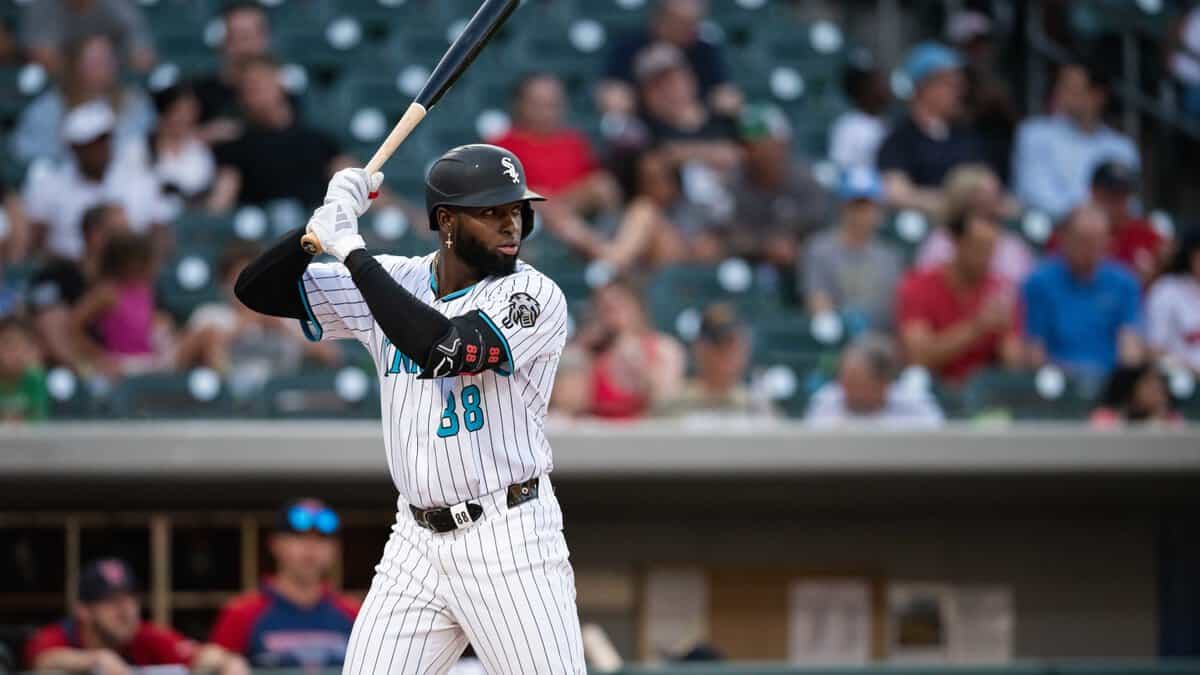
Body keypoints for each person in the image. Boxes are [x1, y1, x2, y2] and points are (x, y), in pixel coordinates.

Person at [233, 145, 587, 671]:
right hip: (415, 543)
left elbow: (444, 348)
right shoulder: (396, 279)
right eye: (492, 212)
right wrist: (315, 230)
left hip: (508, 537)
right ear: (446, 222)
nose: (511, 224)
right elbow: (258, 291)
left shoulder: (532, 294)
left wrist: (353, 252)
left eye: (516, 209)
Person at [24, 558, 248, 674]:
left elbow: (198, 654)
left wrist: (229, 662)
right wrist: (94, 659)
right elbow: (43, 658)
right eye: (112, 602)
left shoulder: (142, 635)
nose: (127, 611)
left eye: (131, 598)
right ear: (84, 610)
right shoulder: (61, 635)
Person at [210, 499, 358, 668]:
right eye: (299, 537)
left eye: (321, 539)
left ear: (335, 549)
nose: (310, 548)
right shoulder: (242, 613)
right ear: (275, 544)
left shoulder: (353, 613)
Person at [21, 100, 168, 261]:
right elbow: (34, 245)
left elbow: (159, 232)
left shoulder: (140, 179)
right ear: (75, 148)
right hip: (69, 271)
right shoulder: (48, 184)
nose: (99, 150)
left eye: (103, 141)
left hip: (130, 273)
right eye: (90, 144)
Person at [177, 243, 339, 381]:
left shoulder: (287, 318)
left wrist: (283, 328)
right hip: (224, 405)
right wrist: (241, 326)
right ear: (224, 284)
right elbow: (179, 361)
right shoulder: (210, 315)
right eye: (240, 281)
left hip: (282, 404)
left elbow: (332, 356)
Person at [897, 208, 1024, 384]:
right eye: (978, 247)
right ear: (956, 242)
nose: (985, 257)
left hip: (984, 396)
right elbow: (919, 357)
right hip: (931, 391)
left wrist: (1008, 338)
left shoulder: (1000, 291)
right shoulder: (919, 284)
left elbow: (1013, 364)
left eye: (991, 249)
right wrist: (978, 327)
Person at [209, 56, 351, 211]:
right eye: (248, 88)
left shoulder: (318, 141)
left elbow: (355, 183)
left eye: (260, 84)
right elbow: (220, 201)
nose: (255, 93)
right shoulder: (235, 148)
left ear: (279, 82)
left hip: (317, 228)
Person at [543, 151, 718, 272]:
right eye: (644, 178)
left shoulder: (692, 210)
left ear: (673, 183)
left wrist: (580, 235)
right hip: (634, 275)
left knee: (645, 211)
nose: (649, 185)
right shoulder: (629, 211)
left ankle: (572, 229)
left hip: (675, 278)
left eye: (657, 179)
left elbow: (707, 251)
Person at [1022, 204, 1144, 378]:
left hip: (1109, 381)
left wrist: (1123, 383)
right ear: (1064, 238)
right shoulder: (1039, 282)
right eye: (1083, 240)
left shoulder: (1125, 282)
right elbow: (1034, 349)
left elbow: (1130, 346)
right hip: (1058, 380)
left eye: (1098, 240)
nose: (1091, 248)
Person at [1013, 61, 1139, 220]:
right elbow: (1034, 194)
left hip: (1106, 235)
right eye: (1060, 85)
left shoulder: (1122, 147)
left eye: (1072, 88)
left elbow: (1130, 204)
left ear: (1098, 95)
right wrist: (1086, 215)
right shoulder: (1034, 133)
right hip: (1049, 234)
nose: (1060, 93)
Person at [876, 41, 988, 215]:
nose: (960, 91)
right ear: (923, 87)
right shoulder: (899, 140)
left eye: (959, 85)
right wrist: (955, 203)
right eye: (950, 84)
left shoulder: (965, 136)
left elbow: (989, 188)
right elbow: (896, 194)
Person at [10, 32, 155, 164]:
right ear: (76, 65)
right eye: (94, 61)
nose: (103, 67)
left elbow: (145, 147)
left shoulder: (134, 102)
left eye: (107, 60)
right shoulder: (48, 107)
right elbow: (28, 153)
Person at [489, 73, 617, 214]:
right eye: (538, 105)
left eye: (553, 105)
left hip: (575, 212)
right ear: (520, 105)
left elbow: (593, 184)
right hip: (530, 220)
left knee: (607, 186)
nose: (547, 113)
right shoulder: (501, 147)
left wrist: (563, 202)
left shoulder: (574, 141)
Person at [721, 104, 829, 267]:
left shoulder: (805, 181)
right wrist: (765, 246)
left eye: (760, 144)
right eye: (747, 146)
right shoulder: (733, 182)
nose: (752, 153)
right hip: (747, 267)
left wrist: (797, 245)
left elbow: (823, 232)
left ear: (781, 144)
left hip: (801, 270)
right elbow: (727, 236)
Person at [27, 204, 128, 370]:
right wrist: (89, 370)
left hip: (126, 365)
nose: (128, 242)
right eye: (120, 234)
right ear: (95, 235)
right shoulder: (56, 274)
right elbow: (51, 326)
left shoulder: (132, 280)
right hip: (76, 370)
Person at [599, 0, 740, 116]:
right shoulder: (629, 44)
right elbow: (612, 90)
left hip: (694, 117)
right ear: (661, 18)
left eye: (694, 23)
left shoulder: (704, 49)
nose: (692, 29)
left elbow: (724, 92)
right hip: (644, 120)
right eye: (683, 23)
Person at [803, 167, 903, 330]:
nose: (862, 213)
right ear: (843, 207)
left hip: (882, 338)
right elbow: (817, 301)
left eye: (869, 206)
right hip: (836, 337)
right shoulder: (820, 248)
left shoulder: (889, 256)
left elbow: (895, 307)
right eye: (856, 205)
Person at [573, 279, 685, 419]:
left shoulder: (664, 348)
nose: (611, 315)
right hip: (599, 432)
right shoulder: (587, 352)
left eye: (618, 306)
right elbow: (573, 406)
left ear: (637, 307)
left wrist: (638, 364)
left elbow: (665, 402)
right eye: (605, 308)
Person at [70, 232, 172, 376]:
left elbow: (146, 325)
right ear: (128, 263)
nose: (152, 266)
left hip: (150, 360)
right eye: (146, 261)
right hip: (122, 364)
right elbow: (73, 327)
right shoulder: (107, 292)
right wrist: (98, 355)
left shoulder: (146, 290)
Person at [915, 164, 1034, 286]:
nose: (990, 203)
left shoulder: (1013, 247)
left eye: (995, 195)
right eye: (981, 199)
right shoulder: (940, 243)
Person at [805, 334, 944, 428]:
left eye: (855, 383)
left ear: (884, 382)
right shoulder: (826, 400)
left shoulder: (914, 403)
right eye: (843, 380)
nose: (845, 389)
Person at [661, 303, 771, 418]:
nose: (727, 353)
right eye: (719, 343)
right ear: (699, 348)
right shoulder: (673, 405)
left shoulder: (757, 407)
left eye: (732, 343)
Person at [193, 1, 271, 137]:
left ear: (264, 40)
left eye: (249, 37)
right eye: (235, 37)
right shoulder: (200, 94)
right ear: (222, 42)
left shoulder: (285, 94)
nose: (244, 47)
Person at [1084, 160, 1167, 285]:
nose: (1117, 201)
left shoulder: (1145, 233)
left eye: (1123, 194)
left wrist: (1156, 272)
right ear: (1093, 192)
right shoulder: (1072, 232)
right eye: (1111, 193)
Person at [20, 0, 155, 74]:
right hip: (63, 90)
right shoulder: (44, 5)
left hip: (114, 84)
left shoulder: (117, 4)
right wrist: (84, 63)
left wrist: (103, 62)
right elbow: (43, 57)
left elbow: (143, 56)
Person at [139, 83, 216, 209]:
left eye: (190, 112)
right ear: (163, 113)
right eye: (179, 111)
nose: (185, 118)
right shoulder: (138, 150)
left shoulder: (199, 152)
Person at [1145, 232, 1200, 374]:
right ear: (1191, 255)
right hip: (1180, 381)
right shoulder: (1166, 291)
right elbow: (1154, 350)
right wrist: (1191, 370)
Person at [829, 56, 891, 171]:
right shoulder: (847, 127)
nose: (883, 88)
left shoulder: (888, 123)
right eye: (876, 83)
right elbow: (842, 170)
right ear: (862, 89)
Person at [1091, 362, 1183, 428]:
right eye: (1150, 388)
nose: (1158, 394)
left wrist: (1159, 419)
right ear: (1133, 390)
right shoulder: (1105, 416)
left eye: (1160, 389)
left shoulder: (1171, 419)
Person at [0, 319, 48, 423]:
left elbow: (39, 419)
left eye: (20, 345)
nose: (14, 351)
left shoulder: (36, 379)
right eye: (7, 344)